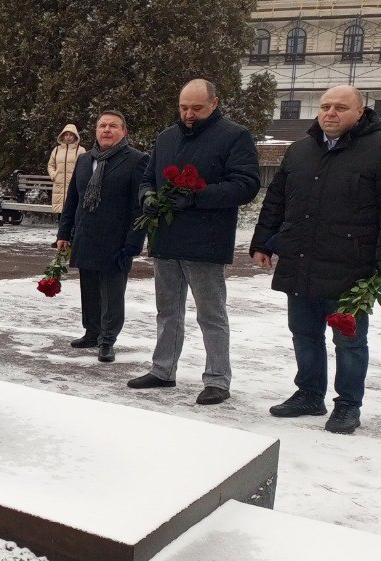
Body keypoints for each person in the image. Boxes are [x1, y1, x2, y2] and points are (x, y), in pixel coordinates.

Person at [250, 85, 381, 434]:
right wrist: (262, 242)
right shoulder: (300, 150)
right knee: (304, 334)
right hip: (300, 259)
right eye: (325, 106)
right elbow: (276, 201)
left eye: (341, 107)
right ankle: (309, 394)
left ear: (360, 112)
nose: (330, 112)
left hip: (352, 267)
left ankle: (348, 405)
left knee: (349, 342)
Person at [128, 79, 260, 405]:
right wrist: (147, 197)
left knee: (210, 314)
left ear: (214, 103)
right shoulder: (166, 137)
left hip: (206, 241)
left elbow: (246, 185)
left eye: (197, 108)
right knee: (167, 311)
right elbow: (147, 178)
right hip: (166, 238)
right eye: (184, 107)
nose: (189, 114)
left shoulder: (234, 136)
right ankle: (163, 370)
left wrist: (196, 197)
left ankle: (217, 379)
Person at [56, 111, 150, 363]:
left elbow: (138, 207)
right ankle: (92, 332)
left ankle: (107, 339)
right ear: (96, 131)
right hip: (86, 234)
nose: (107, 130)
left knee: (112, 293)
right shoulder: (85, 159)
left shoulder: (137, 160)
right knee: (89, 289)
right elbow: (73, 199)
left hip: (116, 239)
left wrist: (133, 243)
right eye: (102, 126)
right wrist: (64, 233)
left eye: (113, 126)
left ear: (124, 132)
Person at [48, 123, 86, 212]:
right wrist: (53, 175)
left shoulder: (81, 150)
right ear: (62, 136)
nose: (68, 137)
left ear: (75, 136)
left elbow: (84, 167)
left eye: (71, 135)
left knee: (72, 212)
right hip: (58, 187)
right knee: (60, 213)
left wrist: (78, 179)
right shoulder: (56, 150)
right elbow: (51, 165)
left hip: (74, 186)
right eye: (66, 135)